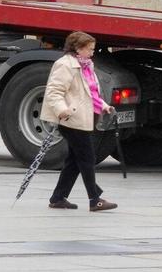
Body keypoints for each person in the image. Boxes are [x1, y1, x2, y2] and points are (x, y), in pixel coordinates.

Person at [37, 31, 116, 213]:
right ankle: (94, 199)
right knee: (87, 158)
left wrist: (103, 105)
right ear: (78, 48)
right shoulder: (65, 65)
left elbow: (91, 92)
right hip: (71, 118)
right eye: (90, 49)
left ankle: (58, 198)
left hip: (83, 117)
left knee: (74, 160)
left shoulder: (86, 65)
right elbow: (54, 91)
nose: (92, 52)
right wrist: (62, 110)